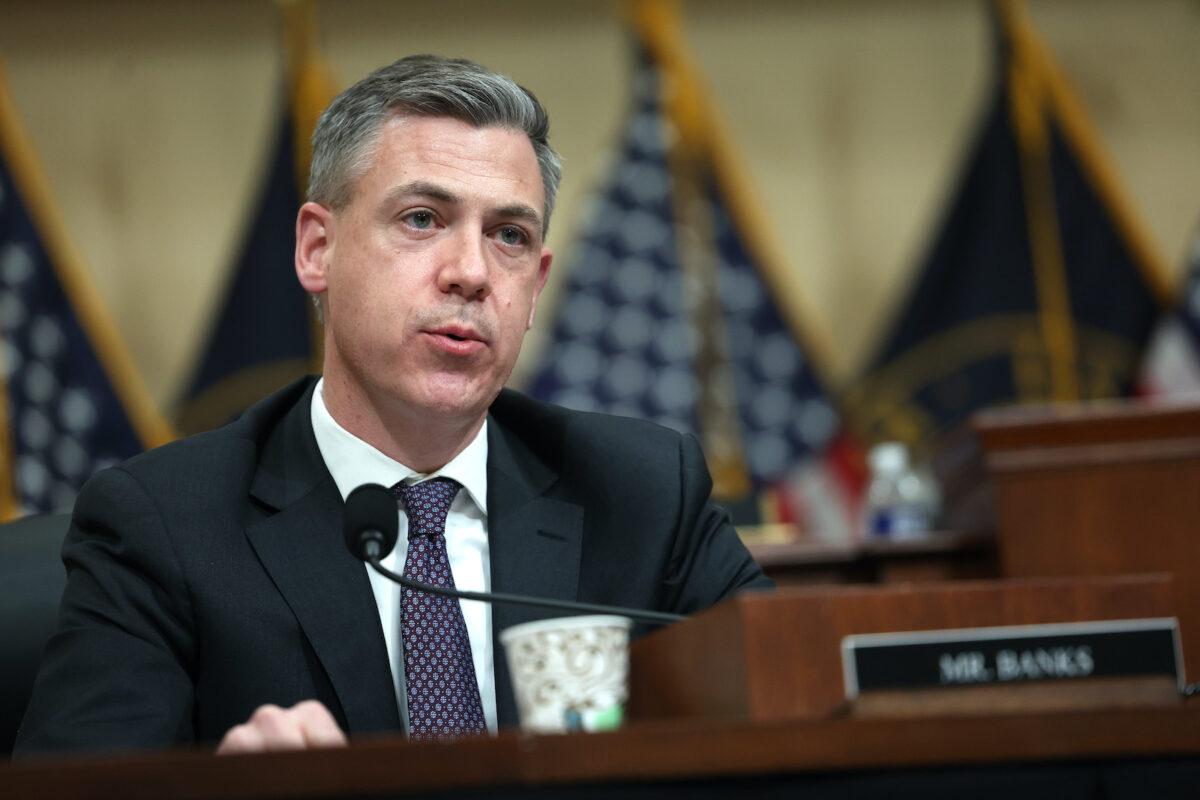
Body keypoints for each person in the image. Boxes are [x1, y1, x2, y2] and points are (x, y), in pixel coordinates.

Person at [14, 55, 771, 756]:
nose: (471, 273)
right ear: (318, 249)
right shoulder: (164, 527)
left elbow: (793, 712)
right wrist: (224, 794)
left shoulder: (641, 492)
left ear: (536, 285)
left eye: (508, 235)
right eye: (422, 219)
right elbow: (74, 793)